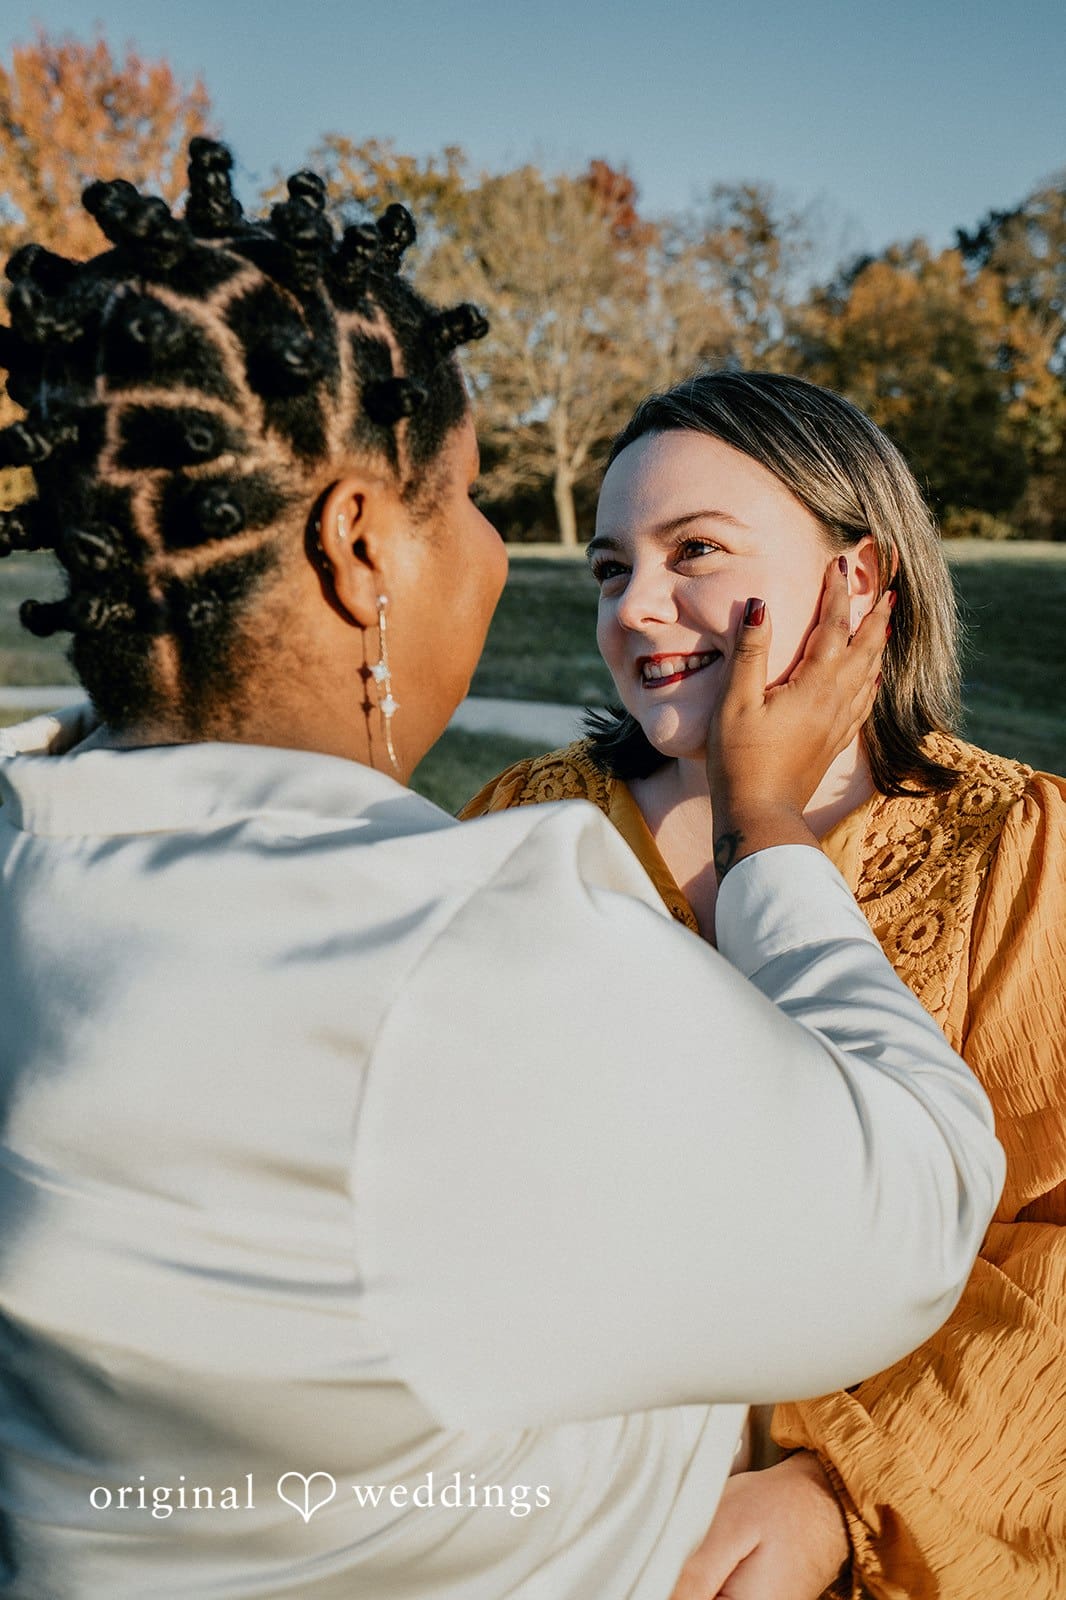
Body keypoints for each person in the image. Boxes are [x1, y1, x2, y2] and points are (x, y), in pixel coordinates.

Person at [0, 146, 1003, 1600]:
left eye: (693, 548)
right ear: (357, 548)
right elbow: (912, 1206)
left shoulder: (39, 853)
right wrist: (767, 822)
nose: (608, 596)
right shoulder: (480, 917)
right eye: (470, 504)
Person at [464, 370, 1066, 1600]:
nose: (636, 607)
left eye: (694, 550)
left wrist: (837, 1491)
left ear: (857, 580)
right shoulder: (516, 828)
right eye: (606, 567)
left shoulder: (1024, 850)